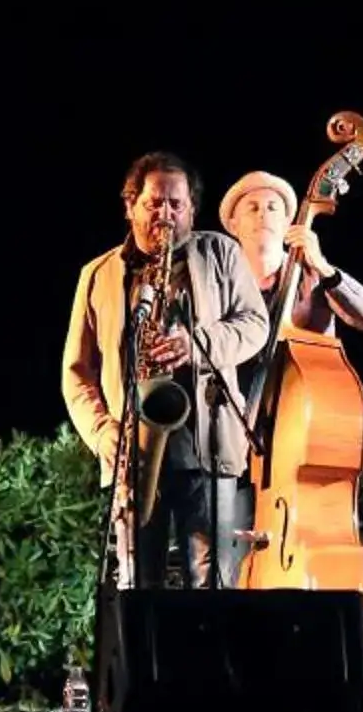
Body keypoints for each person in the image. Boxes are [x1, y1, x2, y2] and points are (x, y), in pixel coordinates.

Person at [61, 153, 272, 589]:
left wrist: (196, 344)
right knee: (139, 585)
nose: (166, 215)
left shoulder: (220, 252)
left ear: (192, 210)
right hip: (133, 455)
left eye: (177, 205)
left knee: (213, 583)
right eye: (155, 203)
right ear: (130, 205)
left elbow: (255, 325)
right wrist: (103, 433)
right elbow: (76, 372)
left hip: (208, 450)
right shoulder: (97, 275)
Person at [218, 169, 363, 341]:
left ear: (287, 223)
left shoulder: (313, 274)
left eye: (272, 208)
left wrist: (324, 269)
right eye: (252, 208)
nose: (263, 214)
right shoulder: (218, 282)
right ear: (234, 226)